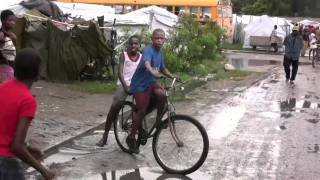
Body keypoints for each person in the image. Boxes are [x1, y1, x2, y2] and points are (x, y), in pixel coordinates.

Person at [0, 48, 55, 180]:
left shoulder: (3, 88)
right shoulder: (27, 100)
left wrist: (28, 148)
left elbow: (5, 130)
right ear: (36, 75)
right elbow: (16, 146)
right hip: (5, 163)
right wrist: (43, 170)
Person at [127, 29, 176, 153]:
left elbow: (163, 68)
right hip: (140, 85)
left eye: (162, 38)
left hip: (151, 83)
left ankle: (159, 121)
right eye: (157, 38)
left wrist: (173, 76)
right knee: (142, 110)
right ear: (152, 39)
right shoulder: (148, 50)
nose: (159, 40)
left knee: (162, 95)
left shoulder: (160, 52)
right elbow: (147, 62)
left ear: (164, 40)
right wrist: (152, 71)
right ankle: (131, 136)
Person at [97, 35, 142, 147]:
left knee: (142, 107)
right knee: (114, 108)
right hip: (124, 84)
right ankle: (105, 136)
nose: (133, 46)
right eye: (131, 43)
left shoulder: (141, 57)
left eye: (136, 43)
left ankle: (135, 132)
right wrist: (126, 86)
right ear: (128, 45)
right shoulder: (124, 55)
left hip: (136, 85)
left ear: (139, 45)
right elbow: (120, 73)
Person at [0, 10, 17, 82]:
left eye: (14, 21)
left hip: (10, 66)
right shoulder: (1, 35)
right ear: (3, 21)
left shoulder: (12, 35)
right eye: (10, 20)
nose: (13, 23)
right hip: (3, 67)